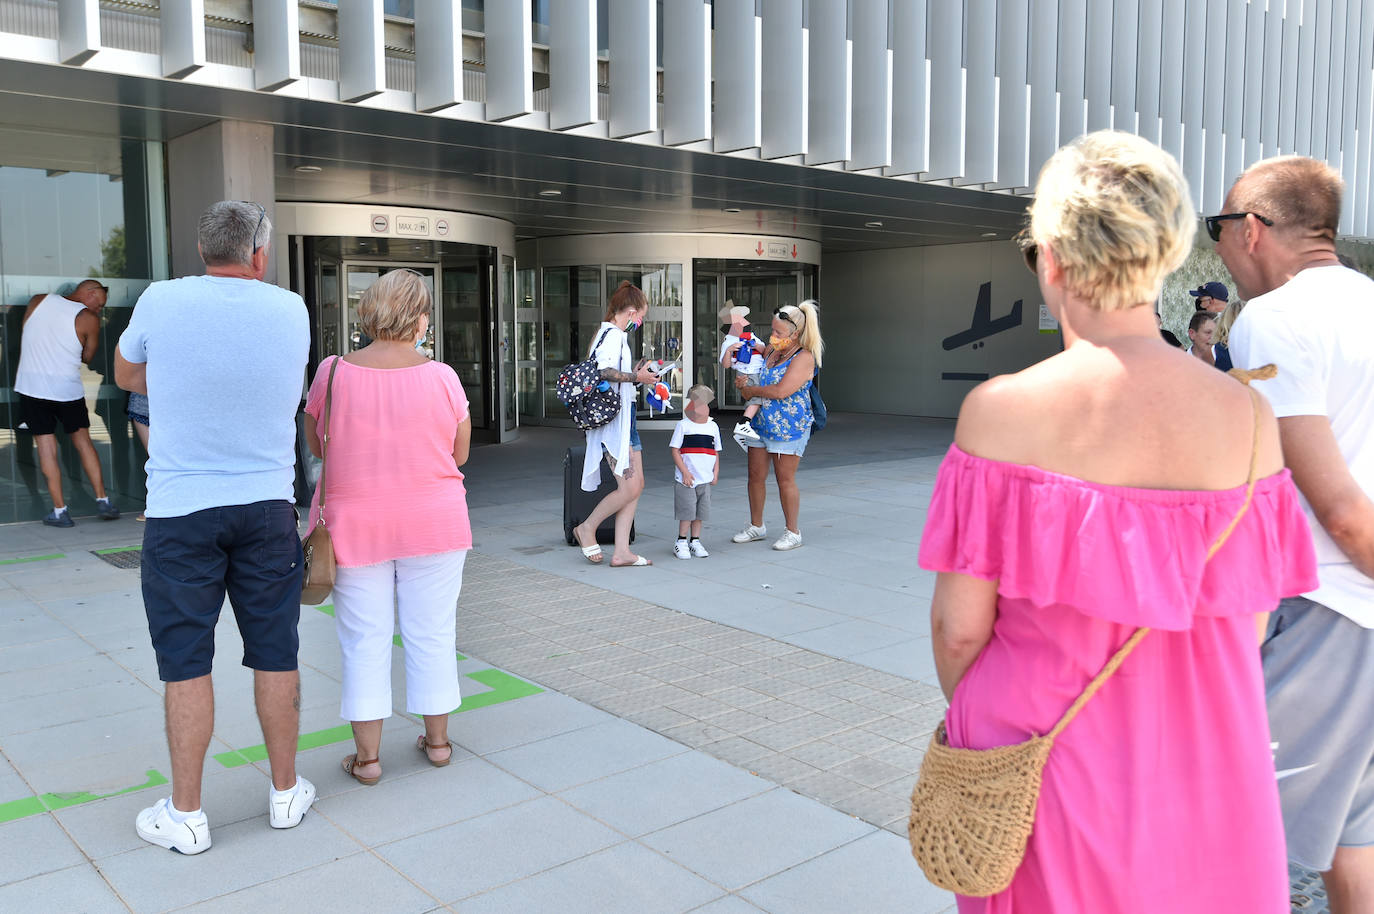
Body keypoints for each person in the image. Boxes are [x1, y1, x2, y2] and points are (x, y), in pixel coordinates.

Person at [919, 131, 1318, 912]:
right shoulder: (1248, 418)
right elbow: (1250, 619)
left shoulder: (1001, 414)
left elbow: (958, 632)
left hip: (1045, 769)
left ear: (1053, 260)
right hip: (1210, 772)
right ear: (1168, 256)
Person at [115, 201, 313, 855]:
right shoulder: (290, 309)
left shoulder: (161, 301)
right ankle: (285, 793)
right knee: (276, 651)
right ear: (259, 254)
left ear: (203, 252)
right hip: (265, 507)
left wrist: (176, 378)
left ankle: (187, 815)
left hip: (180, 510)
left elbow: (124, 374)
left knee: (184, 663)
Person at [1214, 156, 1374, 914]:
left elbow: (1336, 506)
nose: (1219, 248)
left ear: (1251, 229)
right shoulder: (1367, 303)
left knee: (1246, 840)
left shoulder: (1274, 318)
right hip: (1359, 608)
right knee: (1353, 835)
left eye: (1218, 230)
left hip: (1329, 606)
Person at [303, 269, 473, 784]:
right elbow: (459, 453)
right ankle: (438, 743)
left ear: (368, 312)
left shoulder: (332, 373)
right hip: (435, 522)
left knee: (363, 640)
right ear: (422, 319)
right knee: (433, 633)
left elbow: (317, 447)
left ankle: (369, 759)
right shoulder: (443, 376)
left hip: (355, 524)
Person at [14, 279, 120, 526]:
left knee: (46, 447)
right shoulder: (88, 319)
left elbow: (28, 334)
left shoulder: (37, 301)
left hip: (33, 388)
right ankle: (102, 500)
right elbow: (88, 356)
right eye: (99, 304)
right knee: (83, 443)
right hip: (67, 390)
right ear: (89, 292)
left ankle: (60, 511)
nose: (99, 310)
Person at [571, 280, 660, 567]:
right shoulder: (613, 335)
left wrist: (633, 374)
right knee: (630, 487)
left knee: (636, 484)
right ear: (631, 311)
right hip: (615, 425)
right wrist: (638, 378)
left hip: (623, 421)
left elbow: (611, 373)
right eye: (641, 315)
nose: (641, 321)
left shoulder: (607, 333)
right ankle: (587, 528)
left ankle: (622, 551)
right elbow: (604, 371)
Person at [728, 301, 822, 552]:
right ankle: (756, 525)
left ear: (796, 333)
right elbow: (756, 375)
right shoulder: (770, 351)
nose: (774, 336)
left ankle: (793, 531)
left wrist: (751, 390)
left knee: (785, 480)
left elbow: (781, 391)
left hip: (788, 426)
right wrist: (744, 381)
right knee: (755, 476)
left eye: (779, 333)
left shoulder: (804, 357)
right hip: (761, 424)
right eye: (773, 330)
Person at [669, 384, 722, 559]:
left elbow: (715, 451)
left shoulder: (712, 427)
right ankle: (681, 541)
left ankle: (695, 540)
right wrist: (684, 472)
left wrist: (715, 472)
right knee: (687, 511)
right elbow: (675, 450)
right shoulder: (683, 426)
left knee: (700, 512)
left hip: (704, 479)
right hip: (688, 479)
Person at [718, 301, 765, 449]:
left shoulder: (751, 335)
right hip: (747, 372)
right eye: (741, 318)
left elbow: (764, 349)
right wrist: (730, 350)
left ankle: (745, 435)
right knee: (757, 398)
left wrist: (754, 344)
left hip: (759, 371)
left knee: (760, 402)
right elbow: (725, 364)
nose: (746, 321)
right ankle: (744, 423)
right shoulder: (729, 341)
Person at [127, 391, 150, 522]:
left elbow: (125, 380)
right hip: (171, 401)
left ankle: (154, 506)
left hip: (143, 403)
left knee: (157, 460)